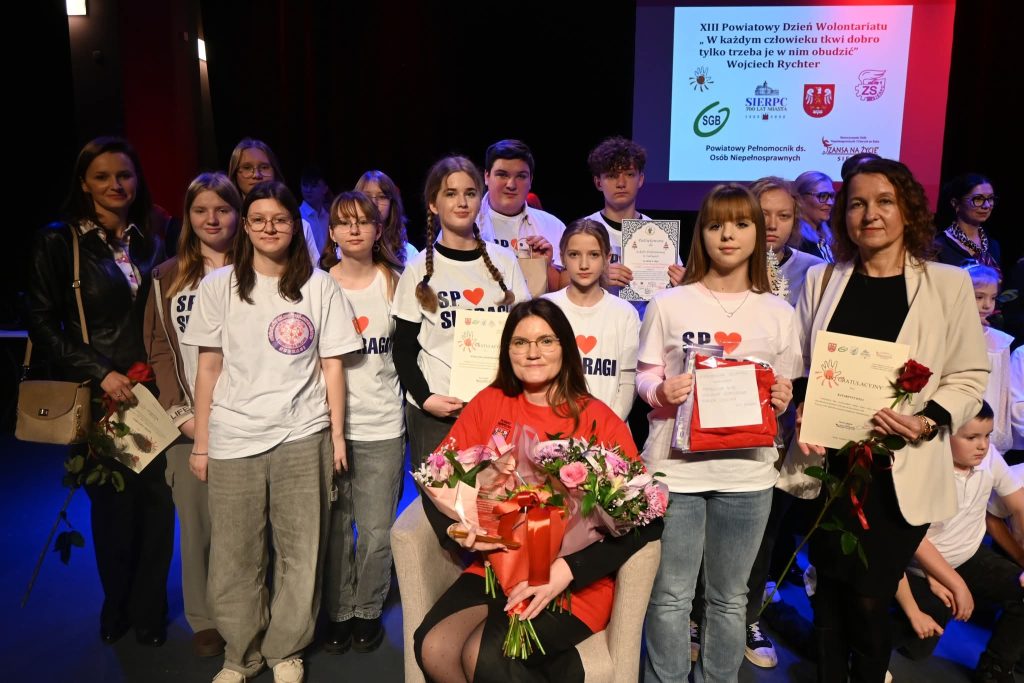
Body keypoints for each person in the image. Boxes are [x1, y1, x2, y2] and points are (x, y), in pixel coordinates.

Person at [780, 158, 989, 682]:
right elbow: (801, 362)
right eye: (856, 203)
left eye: (884, 202)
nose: (869, 214)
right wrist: (803, 404)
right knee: (828, 593)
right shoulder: (823, 278)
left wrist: (928, 421)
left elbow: (969, 375)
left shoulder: (946, 284)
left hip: (899, 471)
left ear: (908, 211)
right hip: (828, 464)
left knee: (871, 597)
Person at [413, 298, 663, 682]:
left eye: (546, 341)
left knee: (486, 656)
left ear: (565, 347)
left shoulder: (597, 418)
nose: (533, 352)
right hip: (497, 568)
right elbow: (437, 478)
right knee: (432, 645)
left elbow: (648, 521)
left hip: (570, 583)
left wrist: (568, 570)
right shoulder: (489, 402)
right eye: (520, 342)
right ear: (507, 350)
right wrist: (461, 529)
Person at [184, 181, 362, 683]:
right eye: (259, 219)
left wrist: (337, 436)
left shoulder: (319, 286)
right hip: (234, 436)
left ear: (295, 226)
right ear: (245, 225)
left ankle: (287, 647)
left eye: (280, 219)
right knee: (234, 554)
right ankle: (240, 654)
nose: (269, 227)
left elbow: (332, 365)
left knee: (301, 551)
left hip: (302, 433)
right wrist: (202, 444)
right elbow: (208, 368)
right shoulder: (218, 286)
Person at [639, 184, 801, 682]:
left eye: (740, 224)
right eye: (715, 225)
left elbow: (784, 385)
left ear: (758, 233)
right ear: (701, 235)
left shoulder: (779, 311)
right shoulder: (669, 303)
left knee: (730, 598)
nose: (727, 235)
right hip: (676, 472)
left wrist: (781, 397)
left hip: (747, 475)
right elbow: (644, 377)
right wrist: (661, 390)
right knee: (671, 596)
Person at [26, 136, 172, 646]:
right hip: (103, 394)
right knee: (114, 509)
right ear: (84, 183)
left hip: (155, 392)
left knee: (158, 507)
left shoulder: (153, 237)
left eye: (124, 175)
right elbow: (41, 321)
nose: (116, 185)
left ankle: (149, 611)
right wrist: (101, 370)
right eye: (103, 176)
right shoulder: (59, 241)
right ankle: (118, 606)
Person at [143, 172, 240, 657]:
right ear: (188, 216)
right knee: (197, 524)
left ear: (238, 214)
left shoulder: (260, 268)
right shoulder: (168, 275)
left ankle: (245, 609)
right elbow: (159, 349)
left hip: (247, 419)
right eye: (201, 210)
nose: (212, 219)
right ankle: (204, 617)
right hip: (189, 424)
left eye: (222, 209)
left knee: (245, 524)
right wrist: (181, 414)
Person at [392, 156, 530, 466]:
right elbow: (402, 348)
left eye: (470, 193)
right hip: (438, 413)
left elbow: (524, 334)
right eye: (451, 193)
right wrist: (426, 398)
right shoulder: (417, 270)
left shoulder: (504, 261)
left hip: (496, 407)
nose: (462, 202)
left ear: (480, 200)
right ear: (433, 204)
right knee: (441, 496)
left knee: (496, 493)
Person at [320, 192, 404, 655]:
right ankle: (338, 609)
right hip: (324, 426)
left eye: (363, 221)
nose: (354, 229)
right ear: (332, 232)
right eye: (344, 222)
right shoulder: (316, 284)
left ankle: (367, 609)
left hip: (382, 425)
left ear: (378, 229)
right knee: (336, 528)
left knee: (375, 531)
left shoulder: (393, 282)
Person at [891, 402, 1024, 682]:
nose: (983, 445)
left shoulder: (989, 457)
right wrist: (956, 584)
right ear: (944, 435)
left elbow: (1019, 506)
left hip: (968, 556)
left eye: (987, 436)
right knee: (919, 645)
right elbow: (915, 539)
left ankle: (995, 669)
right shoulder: (926, 469)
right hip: (920, 568)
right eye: (972, 437)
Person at [542, 219, 640, 420]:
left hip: (609, 429)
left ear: (607, 258)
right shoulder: (546, 308)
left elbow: (628, 380)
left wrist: (607, 425)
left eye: (594, 255)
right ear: (563, 257)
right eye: (574, 254)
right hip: (553, 427)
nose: (584, 265)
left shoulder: (625, 313)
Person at [581, 136, 684, 295]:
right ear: (598, 182)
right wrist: (597, 277)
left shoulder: (659, 233)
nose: (621, 183)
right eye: (612, 175)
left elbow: (677, 283)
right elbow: (562, 283)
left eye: (629, 174)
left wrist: (683, 282)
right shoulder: (583, 229)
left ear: (640, 179)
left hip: (648, 311)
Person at [476, 139, 560, 290]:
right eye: (502, 175)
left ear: (531, 180)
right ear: (486, 177)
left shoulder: (553, 226)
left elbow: (567, 292)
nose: (511, 185)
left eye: (521, 176)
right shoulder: (465, 225)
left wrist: (545, 267)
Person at [226, 137, 320, 267]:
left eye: (264, 167)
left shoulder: (300, 226)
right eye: (247, 168)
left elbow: (312, 270)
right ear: (235, 174)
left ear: (275, 171)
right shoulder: (226, 225)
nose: (256, 175)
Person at [752, 175, 824, 307]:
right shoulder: (728, 268)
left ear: (794, 221)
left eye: (783, 216)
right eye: (763, 215)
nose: (772, 225)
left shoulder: (815, 269)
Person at [967, 264, 1014, 454]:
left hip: (987, 427)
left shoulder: (1000, 342)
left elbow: (1003, 392)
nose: (987, 305)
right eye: (979, 297)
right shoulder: (949, 336)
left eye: (993, 298)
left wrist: (998, 432)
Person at [934, 173, 1001, 273]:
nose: (987, 205)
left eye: (990, 198)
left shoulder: (993, 245)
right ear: (955, 203)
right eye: (978, 199)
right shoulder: (939, 246)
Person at [355, 169, 417, 264]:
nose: (374, 203)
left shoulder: (410, 253)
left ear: (392, 204)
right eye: (367, 197)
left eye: (382, 197)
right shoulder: (345, 251)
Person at [793, 170, 836, 262]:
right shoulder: (795, 243)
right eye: (822, 196)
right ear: (800, 199)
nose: (830, 203)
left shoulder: (831, 236)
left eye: (831, 196)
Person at [299, 166, 332, 256]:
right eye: (305, 185)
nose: (308, 190)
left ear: (325, 188)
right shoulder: (298, 216)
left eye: (314, 186)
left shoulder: (328, 216)